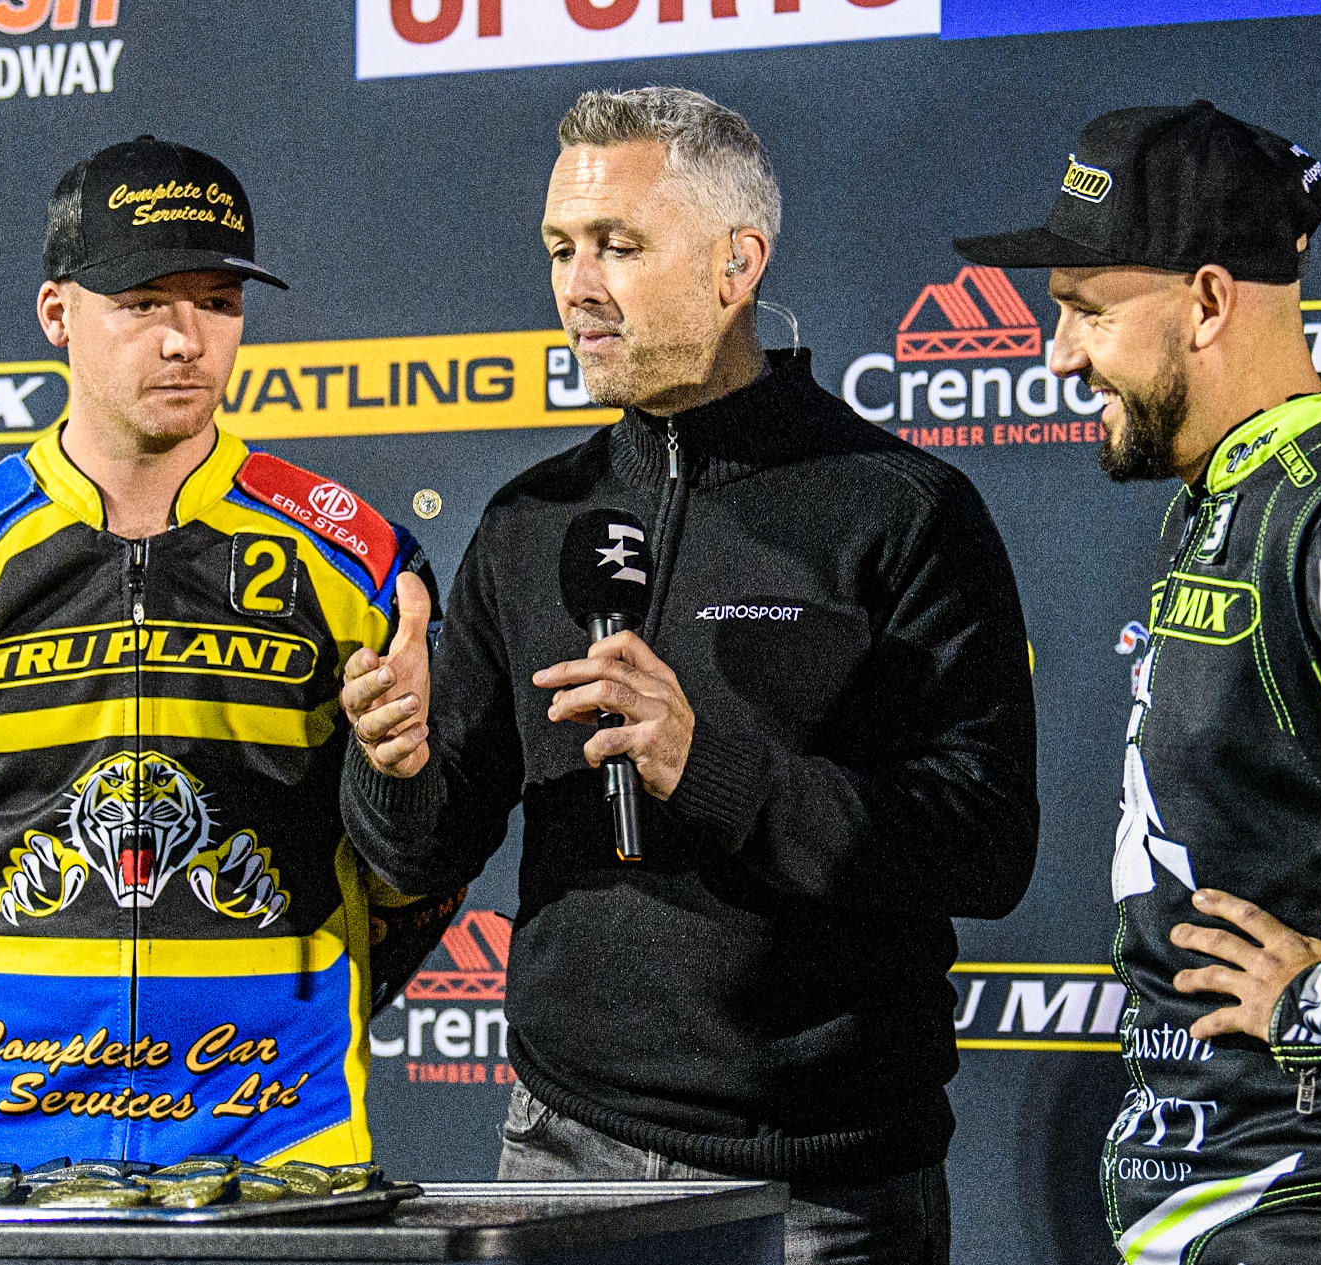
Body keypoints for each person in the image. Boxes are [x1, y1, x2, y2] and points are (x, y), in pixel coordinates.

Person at [338, 86, 1039, 1265]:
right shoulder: (527, 522)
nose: (576, 285)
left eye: (617, 245)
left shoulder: (899, 511)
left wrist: (705, 766)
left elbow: (982, 845)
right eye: (560, 247)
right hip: (560, 1156)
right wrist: (392, 763)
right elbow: (422, 852)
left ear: (735, 263)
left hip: (823, 1188)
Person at [955, 101, 1321, 1263]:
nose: (1057, 355)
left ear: (1207, 300)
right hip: (1230, 1196)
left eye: (1086, 311)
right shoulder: (1245, 492)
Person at [0, 135, 456, 1174]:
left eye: (217, 302)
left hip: (278, 1152)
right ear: (56, 313)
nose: (184, 340)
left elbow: (421, 876)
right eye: (143, 301)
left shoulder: (365, 569)